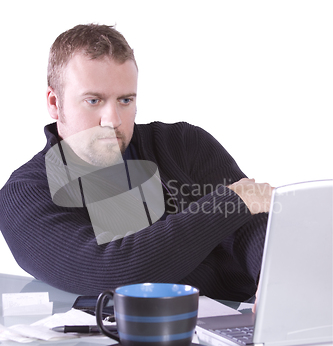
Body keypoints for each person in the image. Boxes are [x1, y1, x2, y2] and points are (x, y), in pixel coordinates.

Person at [0, 24, 273, 299]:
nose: (113, 120)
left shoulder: (183, 143)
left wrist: (271, 278)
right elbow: (109, 272)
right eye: (94, 100)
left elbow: (252, 227)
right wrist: (231, 202)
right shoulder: (25, 195)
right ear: (54, 103)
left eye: (125, 100)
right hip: (108, 340)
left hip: (236, 323)